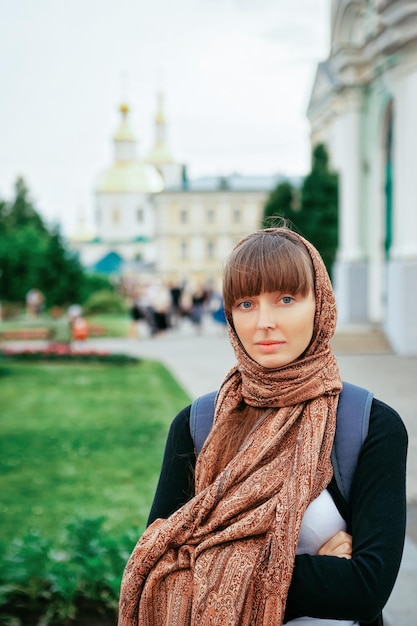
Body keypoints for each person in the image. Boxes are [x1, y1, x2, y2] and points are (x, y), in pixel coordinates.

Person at [118, 227, 408, 626]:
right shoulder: (198, 425)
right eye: (246, 303)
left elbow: (366, 588)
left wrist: (214, 567)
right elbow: (156, 573)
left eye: (286, 299)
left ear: (319, 303)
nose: (264, 322)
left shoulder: (368, 426)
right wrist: (312, 570)